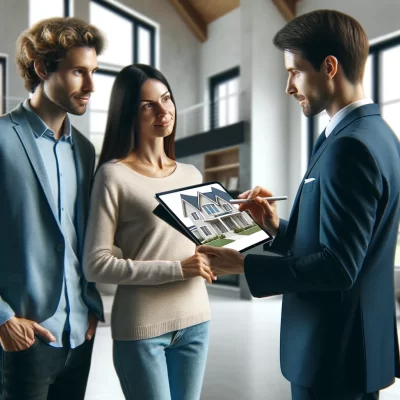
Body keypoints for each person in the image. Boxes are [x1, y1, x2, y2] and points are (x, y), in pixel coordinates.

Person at [198, 9, 400, 400]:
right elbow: (348, 246)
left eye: (294, 71)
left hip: (331, 355)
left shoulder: (349, 147)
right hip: (354, 351)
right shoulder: (378, 135)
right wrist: (277, 227)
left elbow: (339, 268)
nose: (288, 86)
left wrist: (244, 265)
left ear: (329, 67)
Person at [83, 63, 214, 400]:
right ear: (129, 113)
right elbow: (95, 264)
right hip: (142, 330)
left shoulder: (191, 174)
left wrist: (242, 222)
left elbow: (212, 247)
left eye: (166, 99)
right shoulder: (113, 176)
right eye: (147, 105)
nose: (163, 110)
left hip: (197, 321)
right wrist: (176, 269)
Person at [0, 17, 105, 400]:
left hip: (79, 335)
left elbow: (81, 235)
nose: (91, 86)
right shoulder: (0, 138)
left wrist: (91, 306)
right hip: (22, 337)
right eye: (79, 72)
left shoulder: (84, 150)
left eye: (93, 72)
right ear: (43, 69)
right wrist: (3, 319)